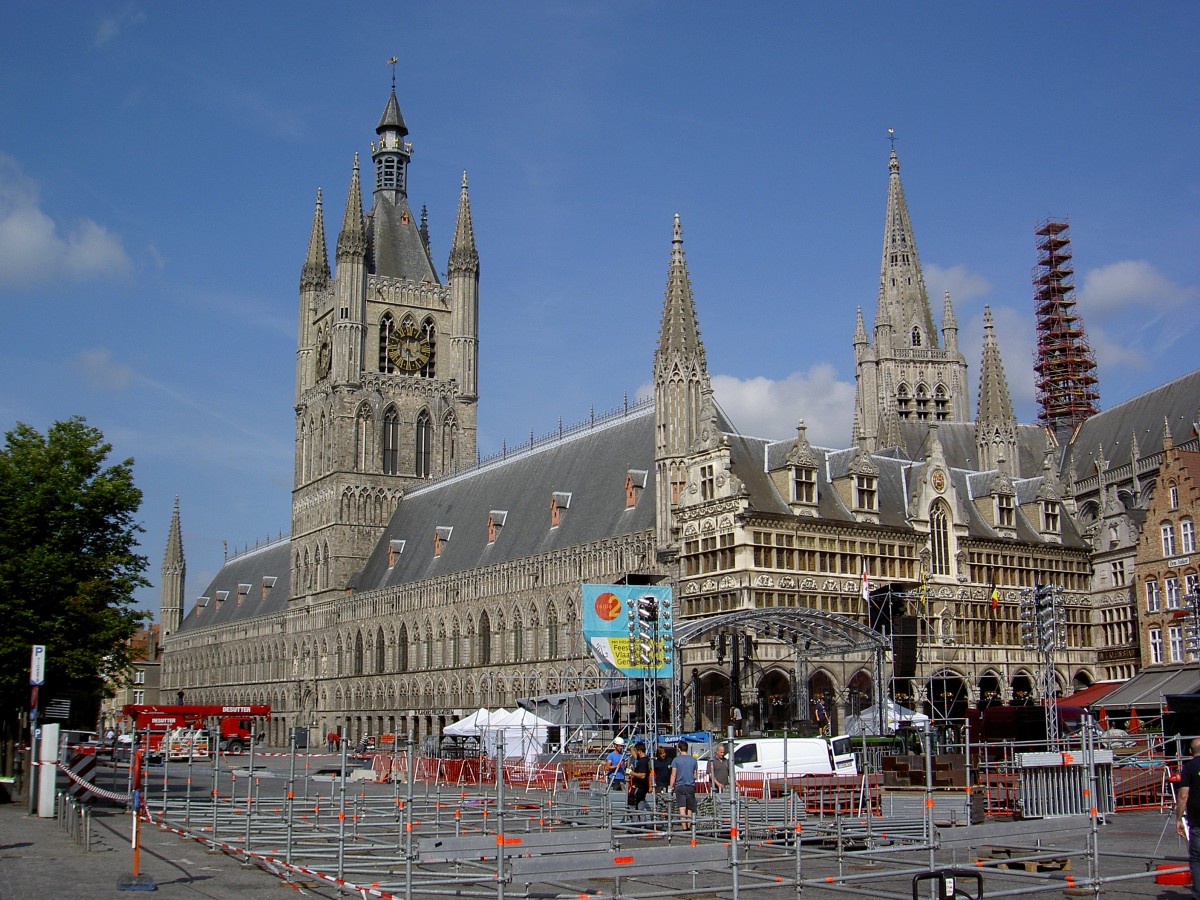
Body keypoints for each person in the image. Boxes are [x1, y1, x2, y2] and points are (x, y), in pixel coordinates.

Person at [1176, 736, 1200, 897]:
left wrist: (1178, 818)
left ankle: (1198, 893)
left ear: (1191, 751)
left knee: (1197, 859)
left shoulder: (1189, 767)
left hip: (1198, 819)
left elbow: (1184, 795)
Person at [668, 739, 698, 828]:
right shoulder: (693, 760)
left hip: (680, 786)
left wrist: (671, 786)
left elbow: (673, 775)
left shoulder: (676, 760)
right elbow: (695, 776)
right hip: (691, 786)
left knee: (682, 807)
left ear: (679, 749)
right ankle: (689, 826)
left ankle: (684, 827)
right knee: (689, 807)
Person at [626, 741, 650, 818]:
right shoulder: (646, 759)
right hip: (643, 787)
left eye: (636, 752)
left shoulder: (642, 762)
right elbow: (635, 755)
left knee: (632, 802)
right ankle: (641, 825)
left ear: (639, 752)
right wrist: (631, 746)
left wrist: (631, 772)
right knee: (640, 805)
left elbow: (643, 775)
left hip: (639, 786)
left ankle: (634, 825)